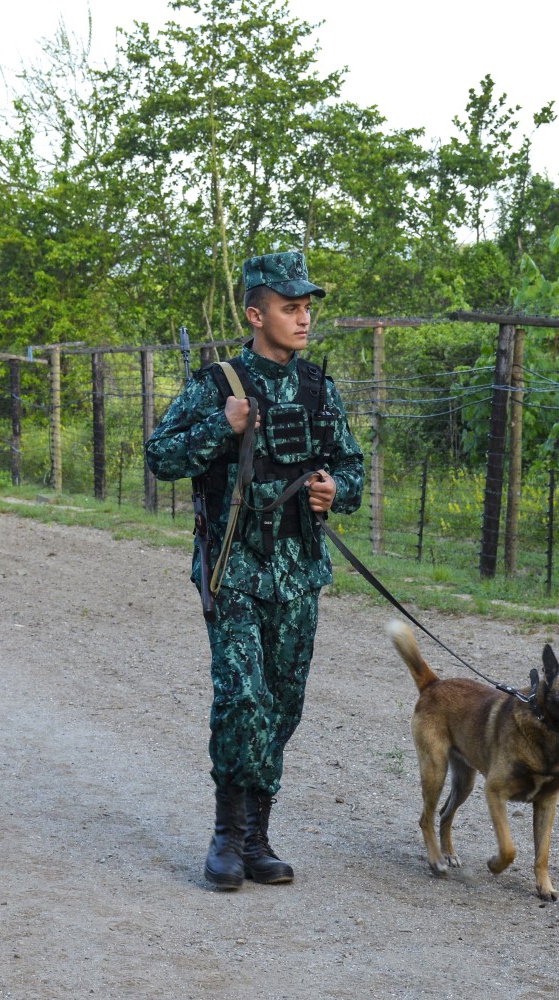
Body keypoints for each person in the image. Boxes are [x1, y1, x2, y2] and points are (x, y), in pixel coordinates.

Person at [145, 251, 364, 890]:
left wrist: (333, 489)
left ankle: (257, 837)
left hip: (298, 572)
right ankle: (224, 838)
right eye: (290, 308)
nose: (302, 319)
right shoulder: (217, 384)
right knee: (242, 697)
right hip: (233, 569)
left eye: (306, 308)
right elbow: (160, 456)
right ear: (255, 313)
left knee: (283, 704)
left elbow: (350, 466)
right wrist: (221, 425)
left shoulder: (320, 389)